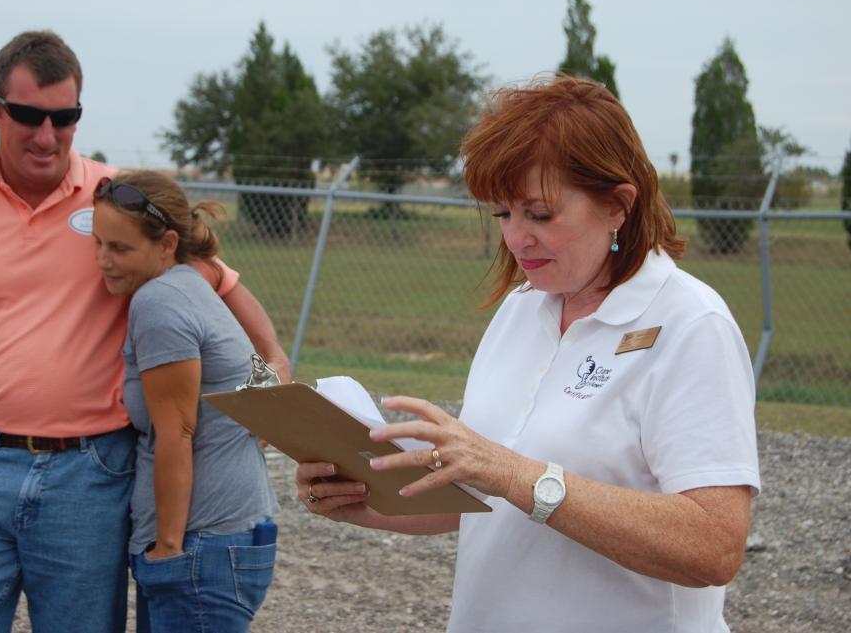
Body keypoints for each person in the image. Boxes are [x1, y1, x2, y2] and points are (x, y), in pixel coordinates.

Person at [295, 75, 760, 633]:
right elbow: (490, 501)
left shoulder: (691, 326)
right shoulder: (522, 308)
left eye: (539, 214)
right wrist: (369, 500)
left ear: (617, 205)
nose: (516, 239)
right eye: (502, 214)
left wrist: (513, 473)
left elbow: (713, 546)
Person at [0, 30, 289, 633]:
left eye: (65, 117)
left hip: (91, 477)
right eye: (28, 116)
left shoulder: (117, 203)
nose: (47, 136)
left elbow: (215, 281)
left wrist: (272, 374)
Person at [93, 170, 279, 633]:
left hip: (199, 547)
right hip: (222, 540)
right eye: (98, 244)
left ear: (167, 243)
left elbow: (177, 432)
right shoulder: (191, 284)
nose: (103, 261)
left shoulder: (160, 301)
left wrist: (169, 549)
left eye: (120, 249)